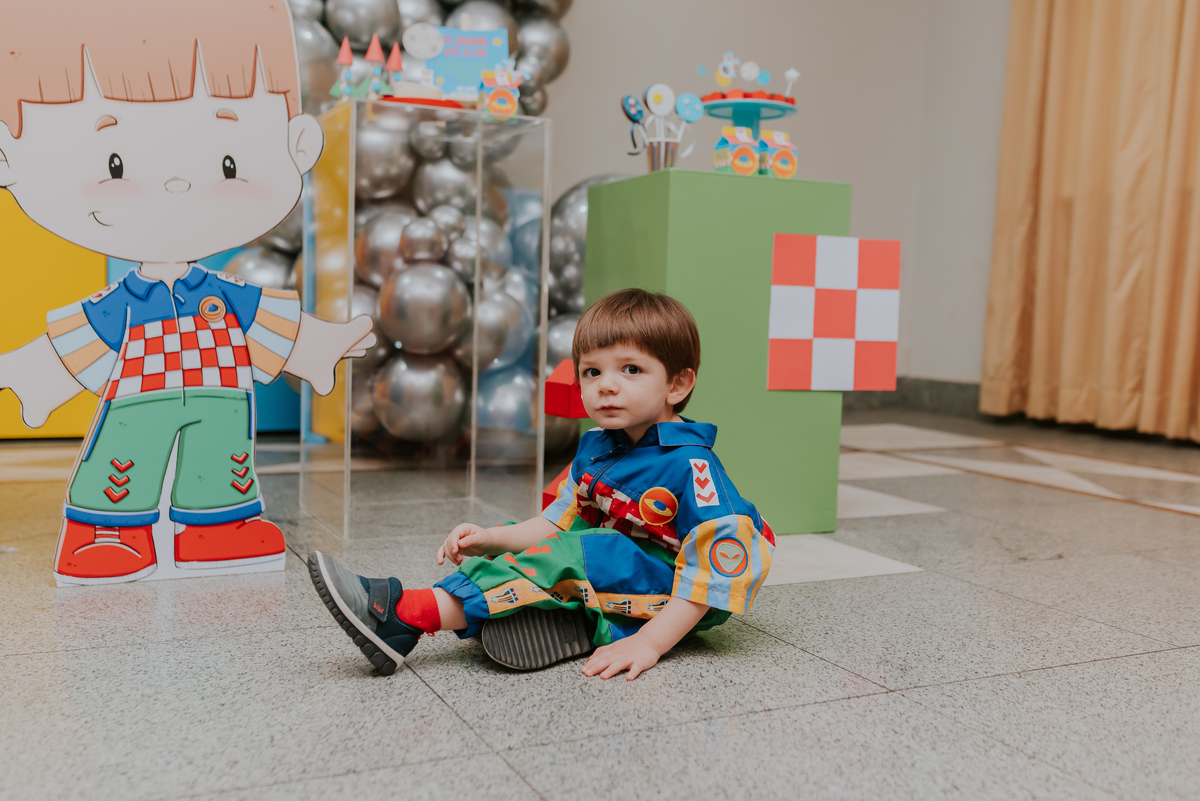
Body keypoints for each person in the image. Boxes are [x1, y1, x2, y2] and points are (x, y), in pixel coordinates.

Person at [0, 0, 375, 585]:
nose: (175, 182)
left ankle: (216, 529)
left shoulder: (223, 293)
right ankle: (108, 532)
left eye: (229, 160)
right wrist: (22, 371)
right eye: (115, 161)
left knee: (223, 461)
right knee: (121, 462)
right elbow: (71, 341)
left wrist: (325, 343)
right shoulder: (126, 300)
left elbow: (281, 329)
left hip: (218, 398)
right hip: (136, 402)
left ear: (298, 144)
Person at [309, 289, 775, 680]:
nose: (606, 386)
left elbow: (714, 573)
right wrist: (493, 538)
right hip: (623, 563)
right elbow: (555, 523)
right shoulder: (597, 448)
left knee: (582, 552)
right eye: (592, 371)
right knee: (555, 546)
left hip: (684, 595)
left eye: (630, 370)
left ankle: (404, 615)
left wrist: (652, 644)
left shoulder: (691, 466)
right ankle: (589, 618)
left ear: (677, 385)